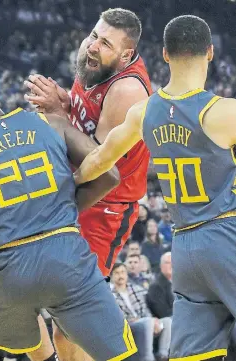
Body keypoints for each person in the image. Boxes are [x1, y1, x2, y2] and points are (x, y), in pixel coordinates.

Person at [0, 72, 138, 361]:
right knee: (121, 353)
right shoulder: (51, 123)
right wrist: (61, 213)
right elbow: (109, 174)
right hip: (67, 258)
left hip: (8, 266)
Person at [74, 15, 236, 361]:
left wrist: (66, 186)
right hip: (225, 234)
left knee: (193, 353)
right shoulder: (225, 112)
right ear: (210, 53)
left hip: (185, 248)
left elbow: (98, 160)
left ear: (164, 54)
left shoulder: (144, 111)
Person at [26, 10, 152, 358]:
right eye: (94, 35)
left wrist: (58, 115)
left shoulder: (127, 89)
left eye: (105, 43)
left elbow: (96, 160)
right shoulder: (95, 61)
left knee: (72, 321)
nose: (93, 46)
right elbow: (83, 110)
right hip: (78, 191)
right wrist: (64, 100)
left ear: (126, 55)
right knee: (50, 314)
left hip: (107, 205)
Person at [111, 263, 171, 361]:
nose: (120, 275)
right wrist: (147, 320)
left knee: (167, 321)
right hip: (129, 327)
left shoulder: (137, 289)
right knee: (147, 322)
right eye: (117, 273)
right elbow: (118, 318)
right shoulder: (111, 296)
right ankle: (147, 358)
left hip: (145, 322)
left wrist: (153, 320)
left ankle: (162, 355)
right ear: (112, 277)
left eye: (122, 272)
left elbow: (146, 309)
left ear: (126, 274)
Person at [147, 252, 173, 319]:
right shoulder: (156, 286)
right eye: (168, 263)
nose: (172, 265)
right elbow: (164, 313)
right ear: (161, 266)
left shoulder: (180, 282)